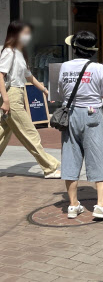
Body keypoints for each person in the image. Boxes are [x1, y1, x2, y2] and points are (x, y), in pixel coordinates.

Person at [58, 31, 103, 219]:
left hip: (69, 115)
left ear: (75, 48)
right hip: (92, 114)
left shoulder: (65, 67)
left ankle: (72, 205)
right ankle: (101, 204)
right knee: (98, 157)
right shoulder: (99, 68)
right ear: (92, 50)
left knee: (70, 157)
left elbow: (61, 91)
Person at [0, 20, 61, 179]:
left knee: (2, 134)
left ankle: (49, 166)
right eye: (25, 33)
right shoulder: (9, 52)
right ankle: (49, 167)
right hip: (12, 95)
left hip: (17, 94)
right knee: (29, 133)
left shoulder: (19, 53)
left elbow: (29, 77)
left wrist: (45, 91)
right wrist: (6, 99)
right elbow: (0, 75)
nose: (28, 37)